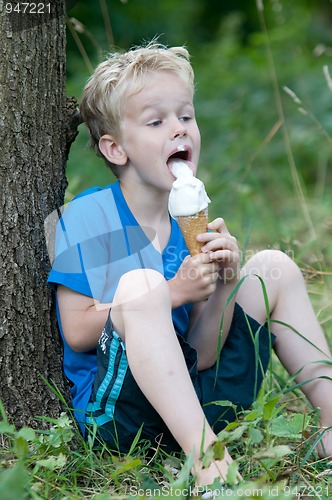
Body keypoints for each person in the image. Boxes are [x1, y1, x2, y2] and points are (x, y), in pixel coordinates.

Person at [48, 42, 332, 486]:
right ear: (116, 149)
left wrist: (223, 285)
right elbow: (78, 332)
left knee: (273, 267)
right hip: (123, 417)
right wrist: (172, 290)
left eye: (186, 116)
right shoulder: (88, 216)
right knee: (140, 286)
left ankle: (330, 426)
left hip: (193, 398)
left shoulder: (190, 226)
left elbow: (202, 352)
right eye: (156, 121)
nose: (179, 129)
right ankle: (209, 463)